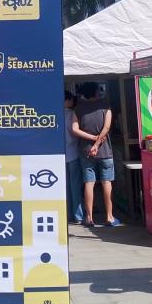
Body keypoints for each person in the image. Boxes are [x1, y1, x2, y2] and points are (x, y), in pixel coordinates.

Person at [71, 82, 119, 227]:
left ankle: (89, 218)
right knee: (106, 183)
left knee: (89, 184)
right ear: (96, 92)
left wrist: (91, 141)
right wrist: (97, 143)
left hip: (86, 152)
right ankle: (109, 217)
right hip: (105, 151)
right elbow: (107, 127)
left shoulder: (78, 109)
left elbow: (75, 129)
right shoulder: (106, 107)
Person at [64, 90, 85, 225]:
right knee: (75, 185)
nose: (73, 102)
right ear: (66, 100)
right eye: (71, 99)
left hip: (60, 155)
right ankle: (78, 215)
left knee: (65, 186)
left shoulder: (52, 114)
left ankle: (68, 213)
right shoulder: (72, 114)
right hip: (74, 153)